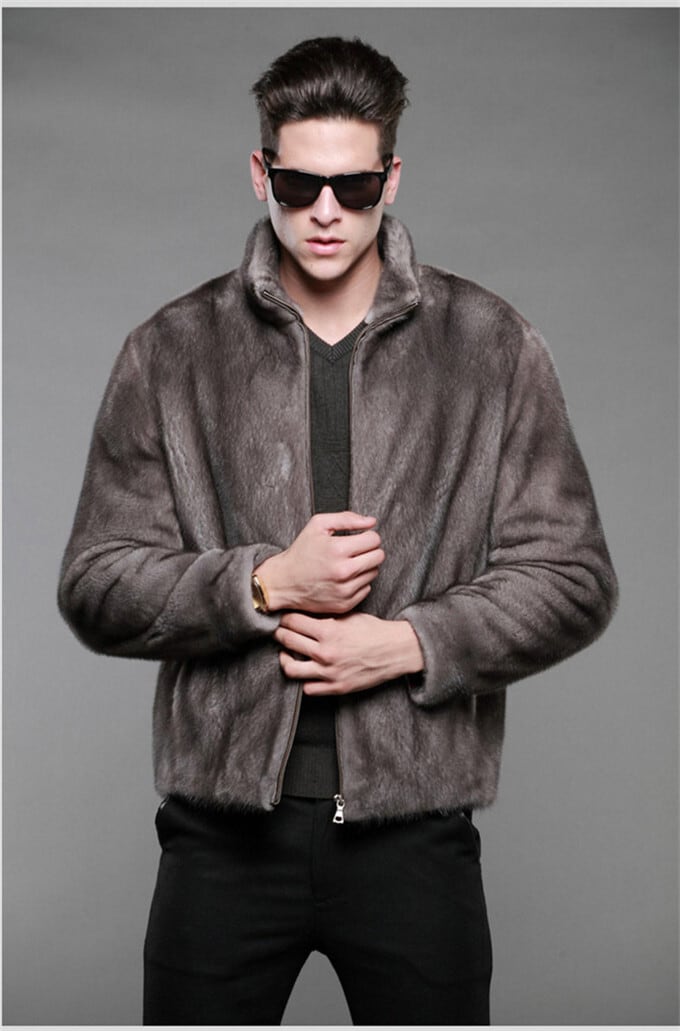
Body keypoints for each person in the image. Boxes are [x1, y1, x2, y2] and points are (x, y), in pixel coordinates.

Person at [58, 35, 617, 1027]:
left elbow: (571, 574)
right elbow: (97, 582)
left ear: (390, 179)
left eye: (353, 188)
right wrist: (264, 584)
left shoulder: (488, 346)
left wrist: (408, 643)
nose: (324, 211)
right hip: (220, 838)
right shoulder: (172, 351)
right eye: (298, 183)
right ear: (259, 171)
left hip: (414, 833)